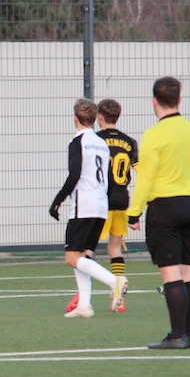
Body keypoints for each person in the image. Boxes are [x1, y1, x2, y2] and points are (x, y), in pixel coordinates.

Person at [127, 77, 190, 349]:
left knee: (171, 274)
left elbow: (145, 178)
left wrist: (134, 212)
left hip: (165, 208)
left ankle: (177, 336)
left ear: (154, 101)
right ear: (179, 99)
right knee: (187, 272)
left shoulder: (154, 135)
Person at [49, 98, 127, 319]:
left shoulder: (77, 141)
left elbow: (75, 173)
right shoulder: (102, 143)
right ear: (94, 119)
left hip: (83, 206)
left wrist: (57, 200)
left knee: (71, 257)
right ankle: (84, 304)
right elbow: (110, 179)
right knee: (83, 255)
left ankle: (114, 281)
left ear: (75, 118)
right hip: (101, 206)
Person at [67, 98, 139, 313]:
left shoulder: (96, 140)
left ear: (99, 117)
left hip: (100, 200)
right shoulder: (130, 142)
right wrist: (136, 211)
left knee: (83, 251)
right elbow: (140, 171)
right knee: (114, 248)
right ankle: (117, 298)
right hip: (122, 199)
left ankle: (86, 295)